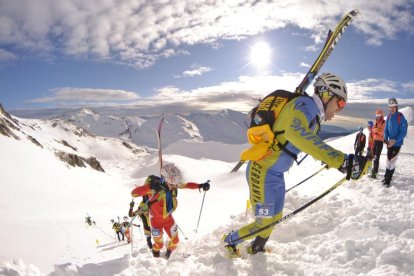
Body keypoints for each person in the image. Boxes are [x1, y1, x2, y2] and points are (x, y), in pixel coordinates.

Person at [222, 72, 370, 257]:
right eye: (340, 103)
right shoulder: (305, 106)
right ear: (325, 94)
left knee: (273, 219)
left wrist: (334, 162)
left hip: (275, 175)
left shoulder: (312, 114)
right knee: (263, 221)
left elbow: (305, 142)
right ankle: (229, 241)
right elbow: (296, 134)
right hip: (261, 172)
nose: (339, 109)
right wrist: (342, 162)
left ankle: (256, 248)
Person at [131, 162, 210, 259]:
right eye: (172, 184)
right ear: (165, 180)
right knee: (159, 245)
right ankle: (155, 251)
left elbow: (187, 185)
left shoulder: (173, 185)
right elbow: (134, 194)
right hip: (155, 222)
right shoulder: (155, 189)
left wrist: (201, 186)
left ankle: (169, 252)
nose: (175, 186)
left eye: (175, 184)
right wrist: (151, 187)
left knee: (175, 241)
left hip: (168, 219)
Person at [383, 98, 408, 187]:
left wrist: (395, 140)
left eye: (393, 107)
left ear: (396, 107)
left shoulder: (400, 117)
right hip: (389, 143)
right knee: (388, 160)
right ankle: (385, 177)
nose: (391, 109)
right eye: (390, 107)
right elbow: (386, 129)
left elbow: (403, 131)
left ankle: (388, 180)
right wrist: (386, 139)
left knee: (392, 161)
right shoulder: (389, 117)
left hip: (397, 144)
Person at [370, 109, 385, 178]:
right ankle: (374, 170)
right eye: (377, 115)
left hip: (380, 142)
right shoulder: (375, 122)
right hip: (375, 140)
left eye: (379, 115)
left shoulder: (384, 122)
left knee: (377, 157)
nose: (378, 117)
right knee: (373, 156)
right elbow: (372, 130)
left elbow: (383, 133)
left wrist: (377, 131)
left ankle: (375, 171)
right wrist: (377, 130)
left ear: (381, 115)